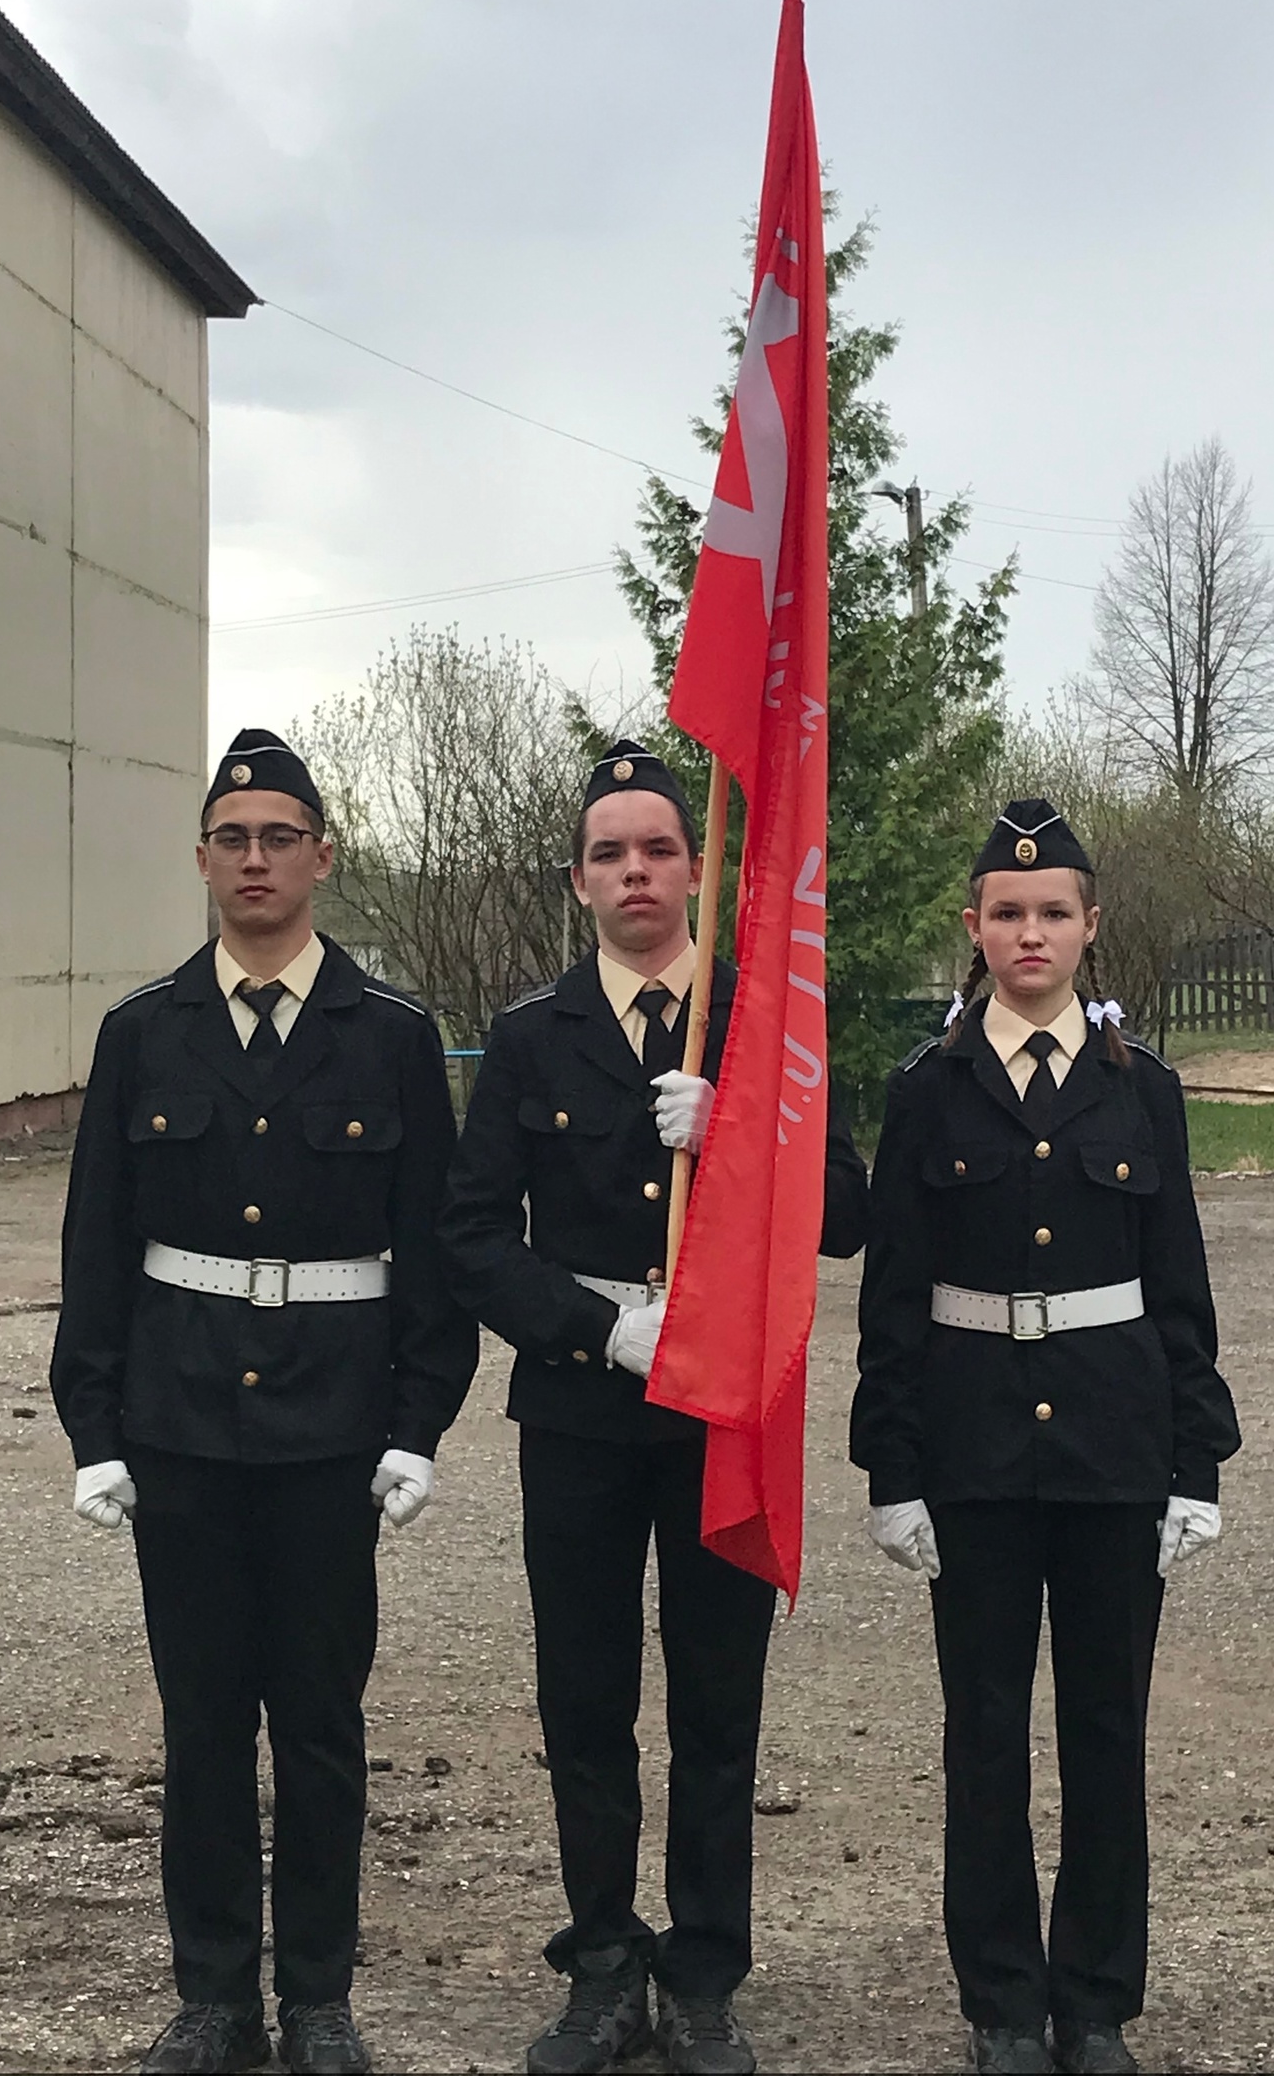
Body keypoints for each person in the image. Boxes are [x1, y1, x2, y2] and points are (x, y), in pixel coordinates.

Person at [51, 729, 478, 2076]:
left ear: (321, 859)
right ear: (202, 861)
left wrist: (419, 1420)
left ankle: (320, 1997)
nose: (254, 859)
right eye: (232, 839)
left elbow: (434, 1248)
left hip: (330, 1428)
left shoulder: (394, 1036)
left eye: (278, 836)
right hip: (179, 1424)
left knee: (321, 1720)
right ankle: (215, 1996)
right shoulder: (141, 1034)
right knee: (202, 1722)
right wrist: (93, 1426)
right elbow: (96, 1245)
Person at [440, 739, 868, 2076]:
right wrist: (598, 1328)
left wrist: (745, 1127)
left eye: (660, 848)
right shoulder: (528, 1036)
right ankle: (604, 1968)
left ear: (697, 866)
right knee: (585, 1697)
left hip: (720, 1411)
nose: (637, 871)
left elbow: (847, 1216)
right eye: (610, 853)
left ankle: (703, 1974)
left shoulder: (764, 1022)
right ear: (578, 881)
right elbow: (467, 1236)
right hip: (581, 1403)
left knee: (716, 1703)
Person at [850, 797, 1241, 2076]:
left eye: (1054, 913)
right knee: (984, 1736)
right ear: (975, 929)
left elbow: (1178, 1286)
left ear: (1089, 928)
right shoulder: (928, 1090)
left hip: (1113, 1452)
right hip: (971, 1456)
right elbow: (894, 1295)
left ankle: (1095, 2005)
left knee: (1104, 1735)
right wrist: (890, 1470)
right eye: (1008, 914)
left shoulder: (1147, 1094)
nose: (1031, 933)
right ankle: (1004, 2007)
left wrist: (1198, 1463)